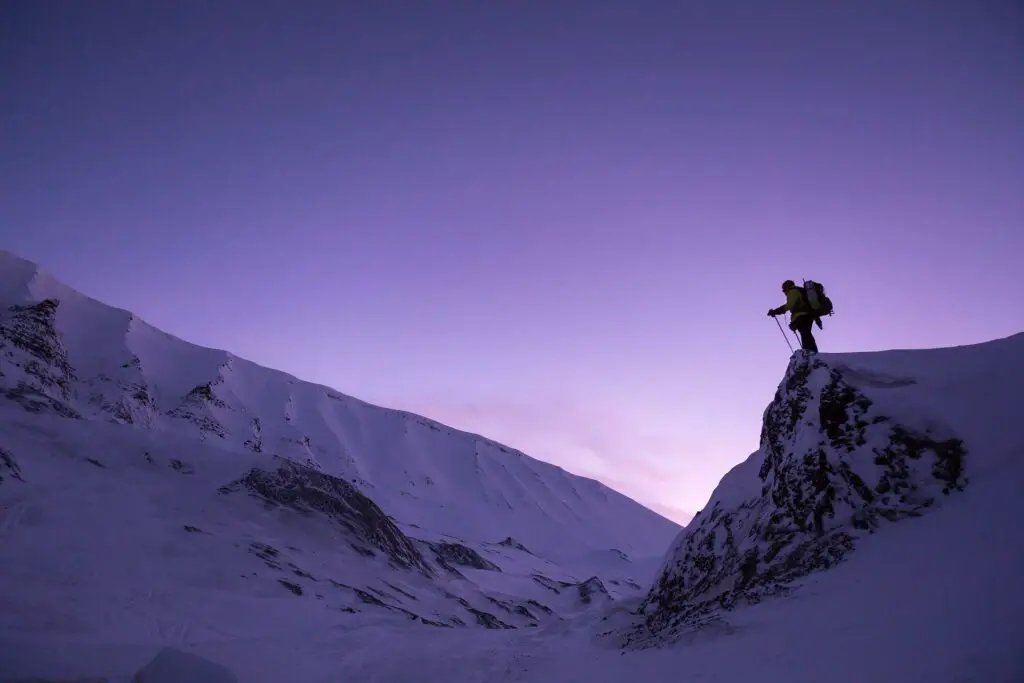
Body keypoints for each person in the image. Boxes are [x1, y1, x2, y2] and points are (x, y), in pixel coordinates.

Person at [768, 280, 818, 352]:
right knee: (806, 334)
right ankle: (811, 352)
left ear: (787, 287)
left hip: (801, 316)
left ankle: (809, 352)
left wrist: (776, 311)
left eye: (783, 289)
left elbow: (790, 305)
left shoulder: (792, 292)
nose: (784, 292)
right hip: (807, 316)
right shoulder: (797, 291)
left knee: (805, 334)